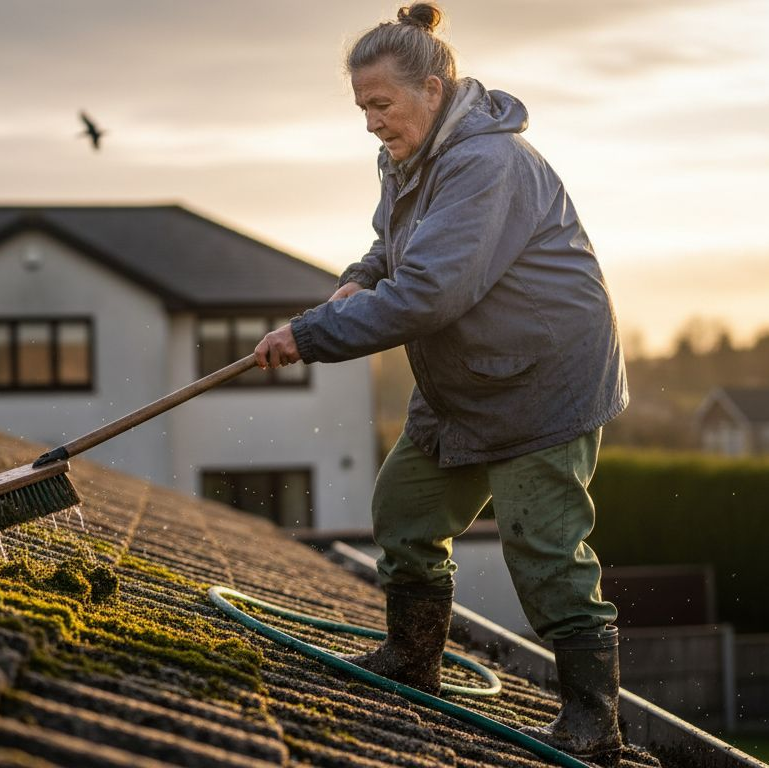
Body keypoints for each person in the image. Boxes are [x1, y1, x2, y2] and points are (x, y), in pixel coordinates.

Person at [253, 3, 629, 764]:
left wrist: (312, 335)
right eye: (361, 108)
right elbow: (390, 248)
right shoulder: (408, 157)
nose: (370, 123)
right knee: (404, 512)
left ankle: (595, 724)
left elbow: (427, 293)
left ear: (432, 88)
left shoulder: (484, 164)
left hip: (542, 385)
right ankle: (414, 659)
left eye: (380, 105)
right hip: (464, 379)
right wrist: (355, 283)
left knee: (545, 554)